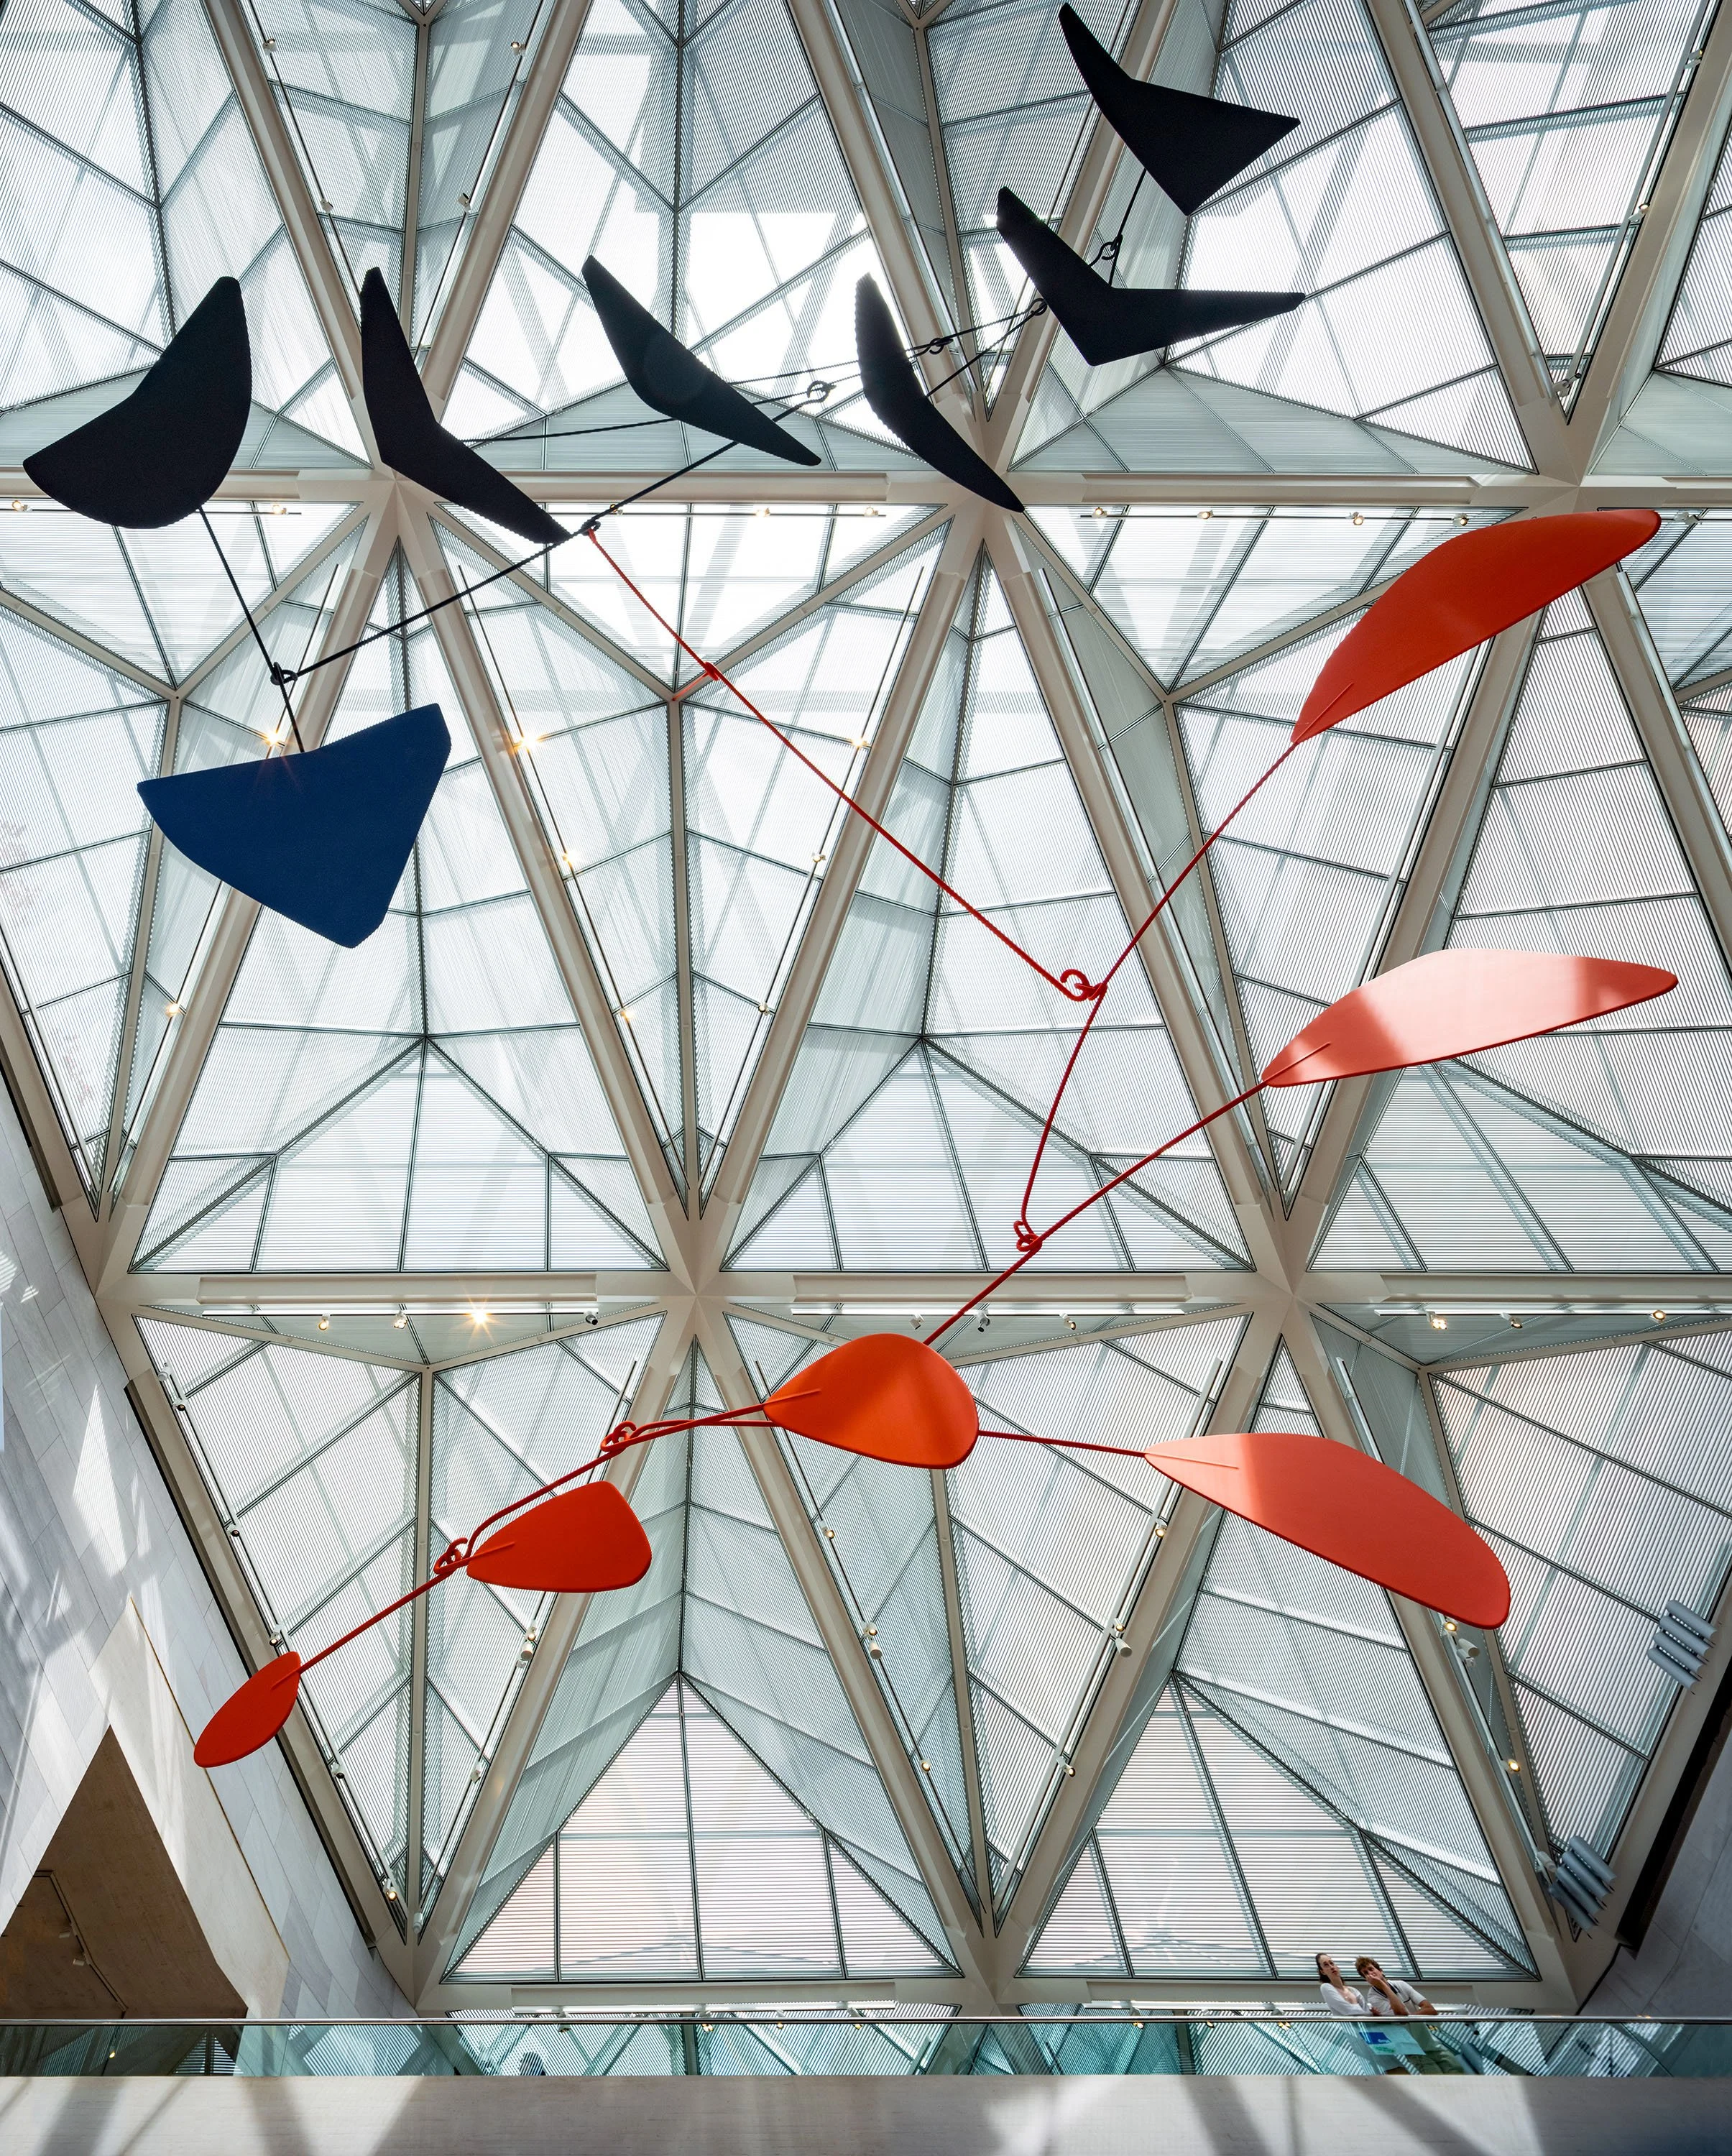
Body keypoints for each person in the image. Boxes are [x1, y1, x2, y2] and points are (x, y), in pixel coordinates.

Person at [1355, 1956, 1468, 2075]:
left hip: (1429, 2040)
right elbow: (1402, 2014)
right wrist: (1383, 1985)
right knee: (1435, 2078)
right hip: (1412, 2049)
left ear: (1380, 1970)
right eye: (1366, 1973)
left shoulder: (1401, 1984)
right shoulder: (1373, 1997)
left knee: (1456, 2072)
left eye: (1371, 1969)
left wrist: (1410, 2018)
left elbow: (1431, 2010)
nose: (1370, 1974)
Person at [1315, 1953, 1410, 2073]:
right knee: (1384, 2068)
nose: (1331, 1967)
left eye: (1332, 1963)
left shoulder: (1353, 1990)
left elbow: (1364, 2012)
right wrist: (1369, 2014)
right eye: (1326, 1965)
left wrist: (1371, 2015)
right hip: (1358, 2034)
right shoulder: (1326, 1987)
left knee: (1395, 2065)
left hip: (1372, 2032)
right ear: (1322, 1972)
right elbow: (1349, 2012)